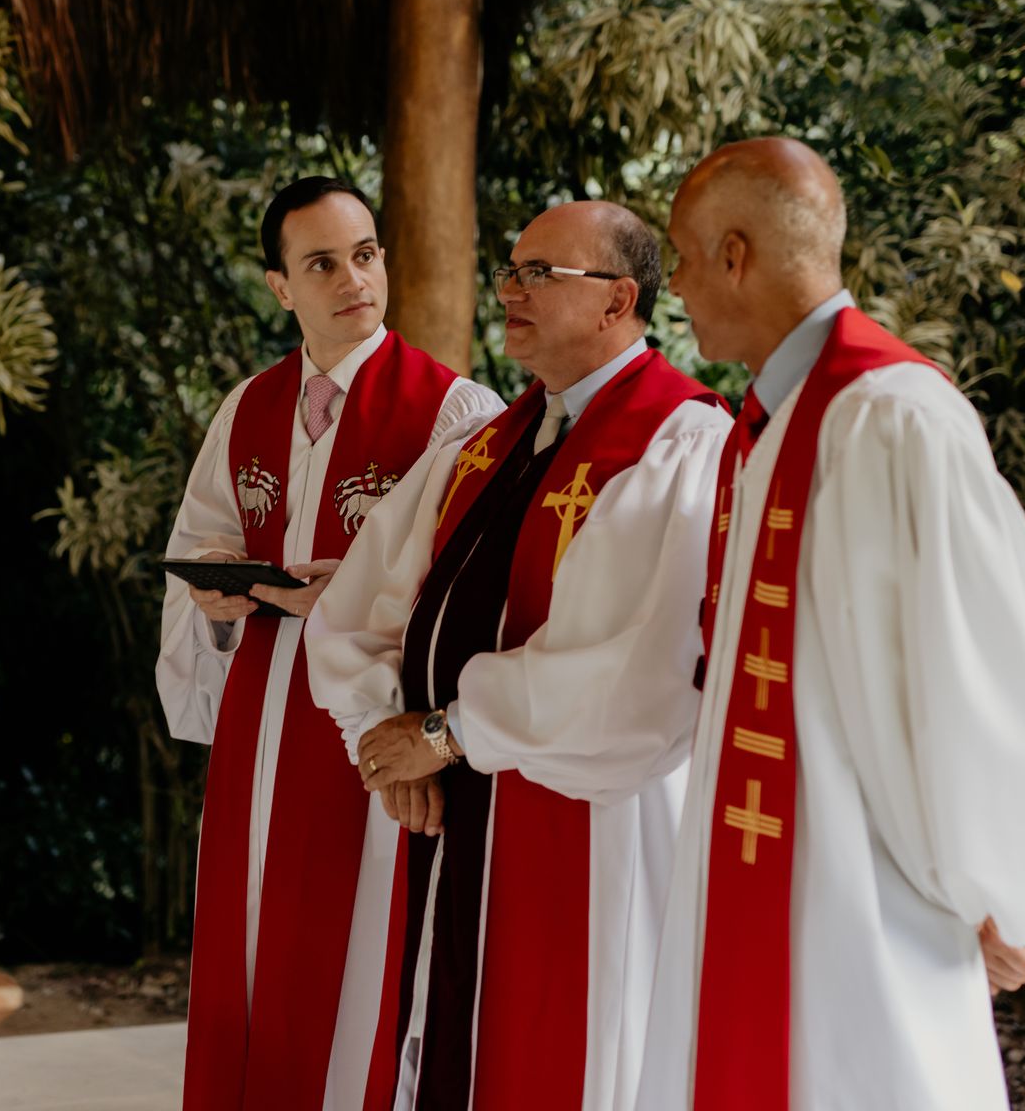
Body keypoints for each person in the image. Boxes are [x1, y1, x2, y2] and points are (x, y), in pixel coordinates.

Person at [636, 139, 1025, 1109]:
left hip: (869, 895)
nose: (673, 283)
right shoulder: (768, 427)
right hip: (758, 882)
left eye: (681, 256)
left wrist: (1003, 883)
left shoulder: (890, 416)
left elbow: (975, 665)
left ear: (737, 254)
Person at [308, 200, 731, 1111]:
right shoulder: (489, 441)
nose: (512, 289)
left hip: (584, 827)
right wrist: (386, 742)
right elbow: (362, 606)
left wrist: (449, 731)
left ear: (621, 300)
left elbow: (639, 671)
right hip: (446, 816)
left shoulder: (681, 446)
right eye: (511, 269)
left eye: (542, 274)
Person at [157, 177, 502, 1110]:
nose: (354, 278)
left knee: (352, 970)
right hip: (259, 719)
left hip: (361, 724)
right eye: (322, 263)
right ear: (280, 287)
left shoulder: (455, 412)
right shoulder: (248, 408)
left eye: (365, 253)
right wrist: (217, 600)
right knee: (248, 948)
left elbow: (473, 592)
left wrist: (350, 601)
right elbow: (195, 547)